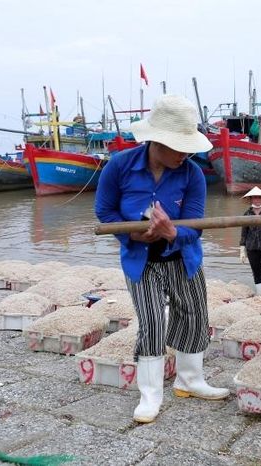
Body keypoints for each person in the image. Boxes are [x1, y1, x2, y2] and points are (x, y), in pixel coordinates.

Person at [95, 95, 229, 424]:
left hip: (182, 257)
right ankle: (150, 394)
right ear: (156, 140)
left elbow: (195, 225)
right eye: (178, 146)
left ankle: (190, 381)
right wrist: (132, 235)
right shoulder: (119, 166)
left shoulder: (193, 175)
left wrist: (171, 233)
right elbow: (105, 212)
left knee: (194, 316)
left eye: (188, 146)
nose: (185, 154)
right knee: (153, 321)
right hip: (141, 259)